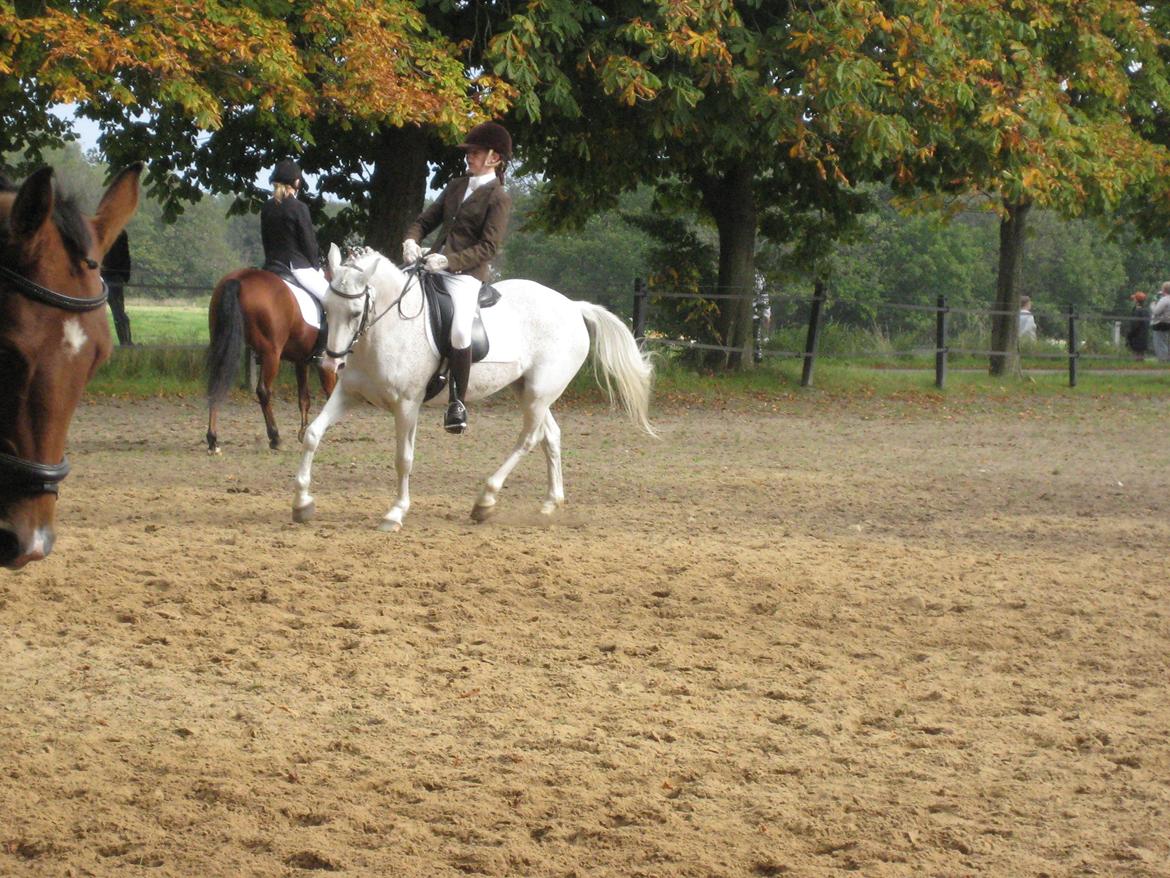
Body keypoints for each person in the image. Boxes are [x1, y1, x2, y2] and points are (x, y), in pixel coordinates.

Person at [403, 121, 514, 434]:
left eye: (476, 153)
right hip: (431, 264)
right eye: (470, 152)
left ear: (494, 157)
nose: (470, 157)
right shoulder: (455, 186)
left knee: (461, 330)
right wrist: (411, 240)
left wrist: (449, 262)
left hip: (466, 275)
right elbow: (424, 221)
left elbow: (488, 247)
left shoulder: (498, 198)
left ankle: (457, 402)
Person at [260, 158, 328, 302]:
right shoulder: (299, 207)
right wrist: (316, 267)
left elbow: (266, 240)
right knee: (331, 300)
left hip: (271, 265)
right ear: (297, 183)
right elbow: (308, 243)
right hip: (296, 266)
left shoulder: (266, 207)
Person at [102, 229, 133, 345]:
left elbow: (124, 255)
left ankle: (126, 342)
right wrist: (124, 275)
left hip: (108, 276)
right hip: (113, 276)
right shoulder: (119, 232)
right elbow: (126, 255)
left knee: (118, 312)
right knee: (119, 311)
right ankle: (126, 342)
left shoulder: (115, 232)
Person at [1124, 291, 1151, 360]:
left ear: (1136, 301)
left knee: (1136, 356)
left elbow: (1134, 326)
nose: (1133, 300)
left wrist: (1129, 335)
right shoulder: (1147, 311)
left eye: (1134, 299)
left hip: (1136, 338)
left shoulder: (1137, 311)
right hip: (1144, 336)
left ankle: (1136, 368)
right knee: (1141, 356)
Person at [1151, 282, 1170, 363]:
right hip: (1168, 322)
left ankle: (1163, 359)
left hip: (1160, 323)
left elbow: (1156, 311)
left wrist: (1152, 305)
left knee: (1159, 342)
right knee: (1165, 341)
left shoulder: (1164, 300)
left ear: (1164, 289)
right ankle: (1165, 358)